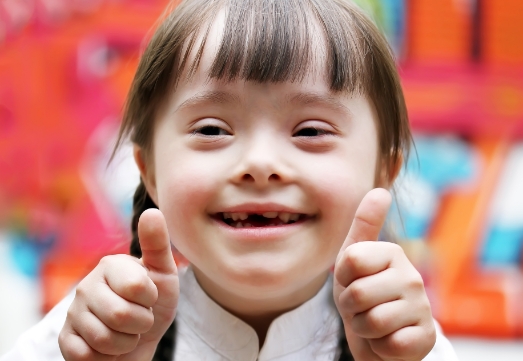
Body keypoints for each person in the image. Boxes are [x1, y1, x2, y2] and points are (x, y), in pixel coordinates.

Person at [2, 0, 460, 360]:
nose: (260, 163)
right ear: (150, 171)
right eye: (211, 130)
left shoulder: (410, 347)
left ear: (384, 172)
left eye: (311, 131)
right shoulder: (89, 333)